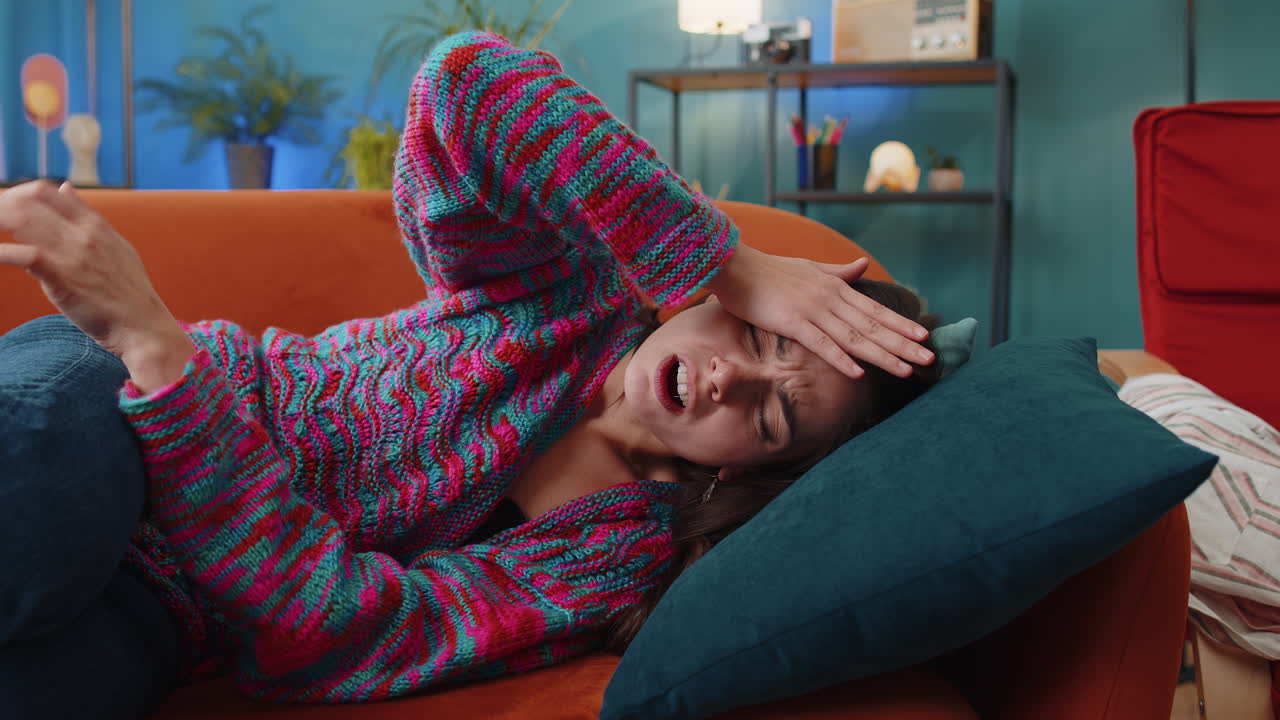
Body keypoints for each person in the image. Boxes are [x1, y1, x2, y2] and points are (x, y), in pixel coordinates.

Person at [0, 31, 939, 718]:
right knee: (33, 493)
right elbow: (468, 80)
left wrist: (172, 367)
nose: (732, 379)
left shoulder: (617, 557)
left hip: (164, 609)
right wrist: (731, 261)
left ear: (749, 472)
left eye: (773, 418)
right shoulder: (570, 289)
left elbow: (339, 641)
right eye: (761, 338)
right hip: (108, 408)